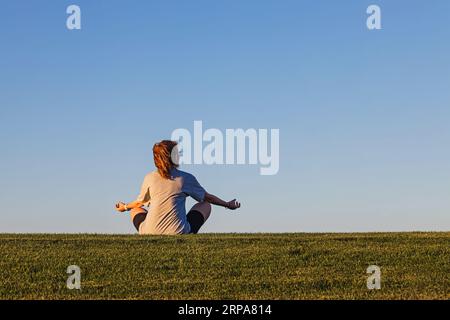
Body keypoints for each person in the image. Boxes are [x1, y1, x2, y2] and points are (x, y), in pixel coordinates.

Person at [115, 140, 241, 235]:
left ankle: (150, 228)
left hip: (149, 232)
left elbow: (139, 203)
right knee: (205, 204)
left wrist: (125, 207)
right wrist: (227, 204)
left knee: (135, 209)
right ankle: (187, 231)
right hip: (178, 232)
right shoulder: (185, 178)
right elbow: (208, 198)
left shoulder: (149, 178)